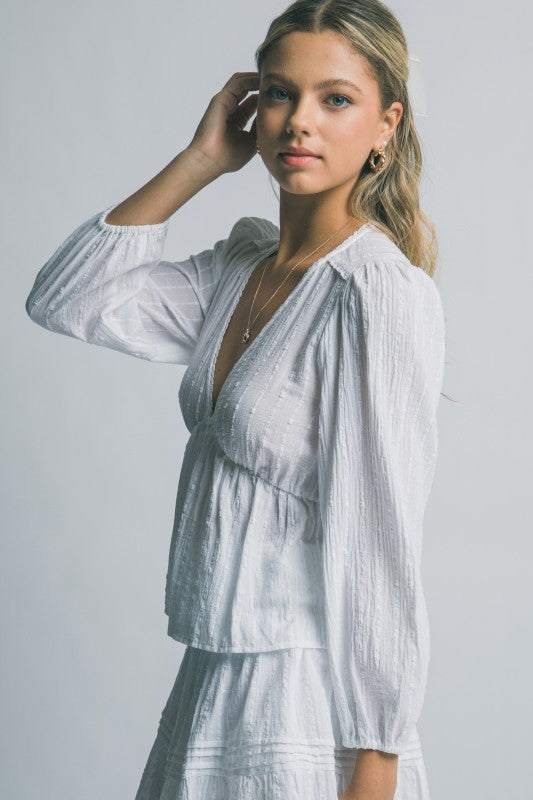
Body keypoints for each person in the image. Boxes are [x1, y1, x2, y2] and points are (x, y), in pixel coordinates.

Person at [24, 1, 446, 798]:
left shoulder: (375, 293)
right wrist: (196, 161)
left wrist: (376, 763)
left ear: (385, 123)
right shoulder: (240, 267)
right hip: (211, 677)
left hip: (310, 698)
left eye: (335, 99)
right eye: (281, 94)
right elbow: (63, 301)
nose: (299, 123)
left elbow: (381, 537)